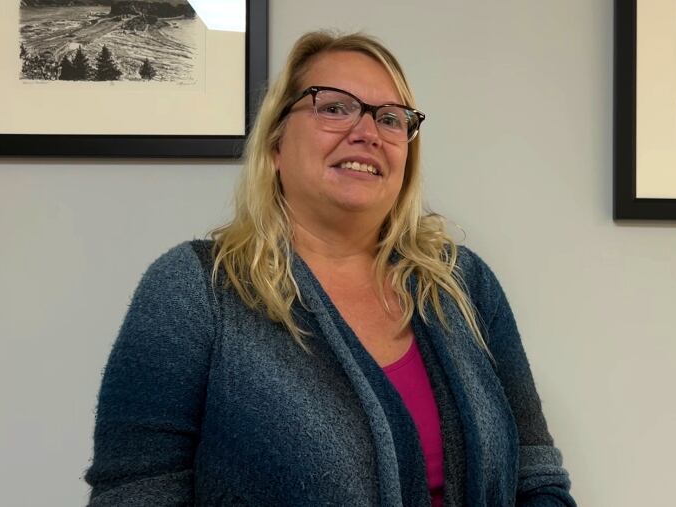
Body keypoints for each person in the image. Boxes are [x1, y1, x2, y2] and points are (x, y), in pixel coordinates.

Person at [84, 31, 577, 507]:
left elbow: (538, 480)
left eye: (390, 118)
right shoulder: (198, 289)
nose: (366, 134)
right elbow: (135, 492)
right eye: (334, 107)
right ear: (276, 144)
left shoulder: (461, 282)